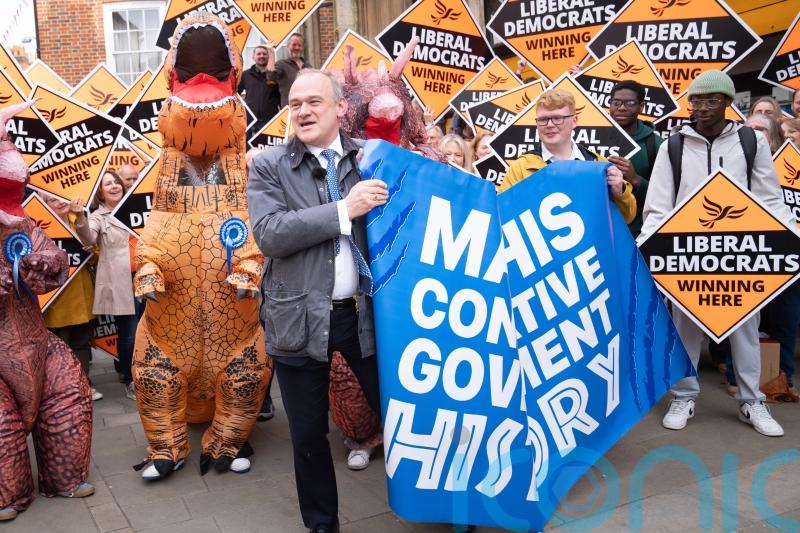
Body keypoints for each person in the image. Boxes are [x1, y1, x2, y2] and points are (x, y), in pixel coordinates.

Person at [248, 69, 386, 533]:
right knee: (308, 436)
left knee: (405, 414)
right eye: (295, 104)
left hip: (365, 317)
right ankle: (322, 525)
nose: (303, 112)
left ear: (341, 108)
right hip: (298, 320)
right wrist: (345, 209)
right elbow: (269, 234)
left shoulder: (372, 158)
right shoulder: (268, 165)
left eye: (314, 102)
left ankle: (436, 503)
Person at [638, 70, 794, 437]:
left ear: (727, 103)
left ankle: (752, 401)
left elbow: (770, 198)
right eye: (696, 101)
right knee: (685, 328)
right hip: (689, 256)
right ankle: (684, 394)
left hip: (740, 256)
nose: (703, 108)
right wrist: (652, 248)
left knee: (745, 330)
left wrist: (790, 239)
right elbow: (659, 205)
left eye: (711, 101)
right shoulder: (673, 146)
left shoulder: (750, 142)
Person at [498, 88, 636, 224]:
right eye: (543, 119)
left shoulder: (597, 163)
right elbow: (502, 217)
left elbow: (626, 218)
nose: (550, 125)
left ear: (574, 121)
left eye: (558, 118)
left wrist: (620, 192)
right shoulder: (520, 168)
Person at [74, 171, 137, 401]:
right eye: (107, 183)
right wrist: (80, 216)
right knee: (129, 334)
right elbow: (88, 239)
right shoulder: (98, 216)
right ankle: (131, 381)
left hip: (148, 279)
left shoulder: (138, 207)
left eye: (116, 182)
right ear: (100, 192)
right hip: (122, 285)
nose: (114, 186)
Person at [42, 194, 101, 401]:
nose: (59, 202)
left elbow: (95, 253)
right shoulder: (39, 227)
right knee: (59, 348)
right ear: (44, 205)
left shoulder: (79, 222)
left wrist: (90, 250)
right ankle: (62, 392)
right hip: (56, 300)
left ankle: (83, 386)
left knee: (82, 344)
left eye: (60, 198)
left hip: (83, 295)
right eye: (52, 199)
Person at [607, 80, 663, 237]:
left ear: (641, 106)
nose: (622, 108)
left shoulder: (656, 144)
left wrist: (635, 179)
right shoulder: (592, 136)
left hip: (638, 233)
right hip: (598, 230)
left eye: (630, 103)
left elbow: (665, 197)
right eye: (616, 102)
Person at [239, 44, 280, 136]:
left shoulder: (274, 75)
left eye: (264, 54)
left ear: (268, 56)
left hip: (271, 121)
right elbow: (236, 94)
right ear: (253, 57)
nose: (262, 56)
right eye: (259, 54)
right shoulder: (245, 75)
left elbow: (281, 96)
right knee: (251, 149)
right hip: (251, 122)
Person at [268, 33, 311, 108]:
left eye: (299, 45)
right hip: (289, 109)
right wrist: (271, 53)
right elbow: (271, 77)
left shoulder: (308, 66)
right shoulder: (281, 64)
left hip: (307, 108)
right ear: (288, 46)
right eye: (294, 45)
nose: (296, 47)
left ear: (303, 47)